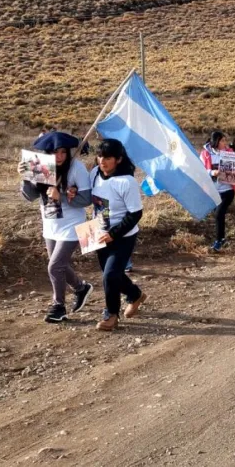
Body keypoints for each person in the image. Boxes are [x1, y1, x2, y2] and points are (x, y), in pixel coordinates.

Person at [19, 133, 94, 323]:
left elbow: (87, 199)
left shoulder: (77, 168)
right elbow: (30, 197)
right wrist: (26, 178)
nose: (59, 157)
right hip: (51, 223)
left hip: (73, 224)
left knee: (54, 266)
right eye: (55, 152)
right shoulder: (40, 164)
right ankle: (81, 288)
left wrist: (61, 194)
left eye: (63, 152)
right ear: (47, 153)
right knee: (60, 265)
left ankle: (58, 306)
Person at [89, 139, 147, 331]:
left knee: (110, 275)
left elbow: (135, 213)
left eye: (107, 157)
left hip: (122, 236)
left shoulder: (126, 182)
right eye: (100, 156)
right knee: (112, 275)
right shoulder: (94, 175)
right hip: (99, 231)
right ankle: (135, 294)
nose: (102, 161)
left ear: (119, 159)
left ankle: (111, 314)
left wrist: (114, 234)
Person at [201, 131, 235, 252]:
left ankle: (218, 241)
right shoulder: (205, 154)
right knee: (218, 216)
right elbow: (200, 171)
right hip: (212, 191)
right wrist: (212, 172)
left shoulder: (229, 153)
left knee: (219, 214)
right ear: (216, 141)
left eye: (225, 140)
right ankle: (222, 238)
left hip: (227, 190)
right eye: (222, 140)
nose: (225, 143)